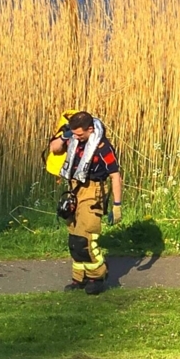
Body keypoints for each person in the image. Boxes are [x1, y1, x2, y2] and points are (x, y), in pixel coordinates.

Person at [48, 111, 123, 295]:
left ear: (90, 129)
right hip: (74, 188)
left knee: (86, 236)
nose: (77, 137)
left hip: (92, 189)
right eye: (74, 134)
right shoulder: (73, 137)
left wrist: (117, 204)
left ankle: (97, 276)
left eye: (80, 134)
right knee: (74, 236)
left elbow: (115, 175)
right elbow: (54, 148)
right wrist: (66, 135)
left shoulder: (103, 147)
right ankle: (79, 277)